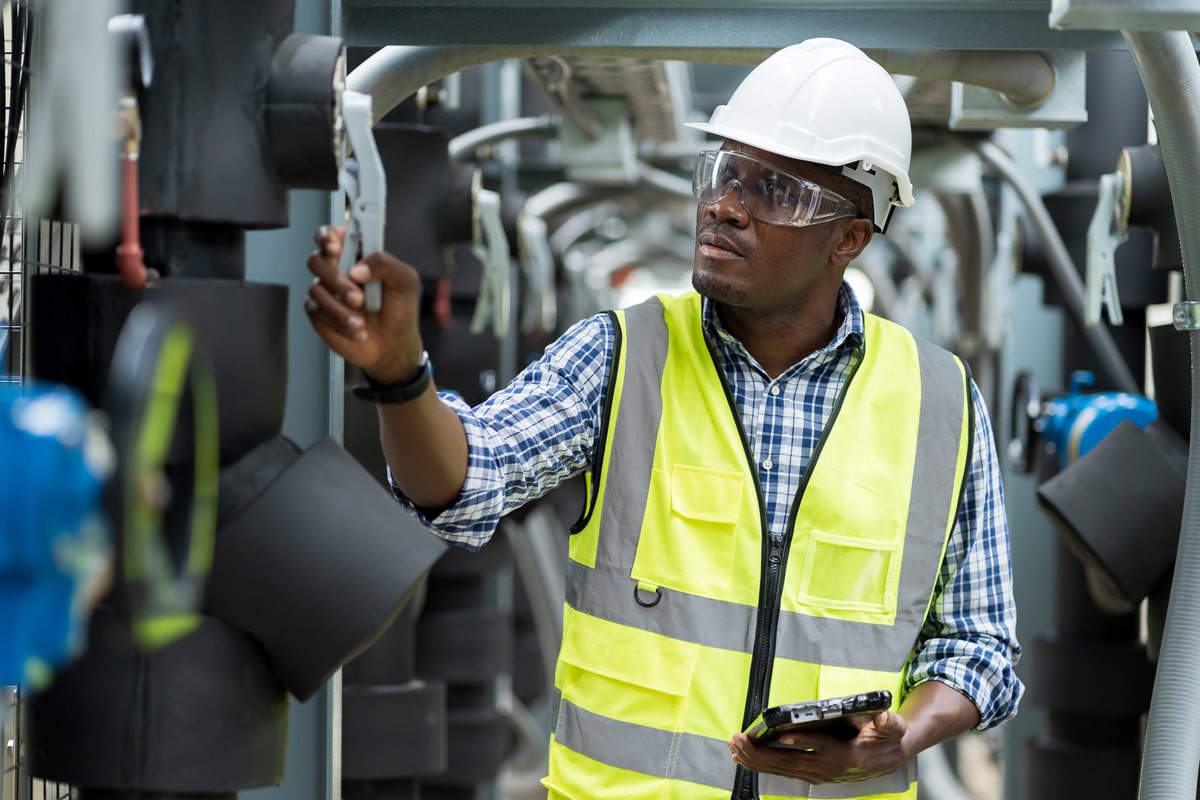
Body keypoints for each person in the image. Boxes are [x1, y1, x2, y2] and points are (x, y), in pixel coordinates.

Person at [305, 38, 1022, 800]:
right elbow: (463, 483)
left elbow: (981, 646)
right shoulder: (622, 358)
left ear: (848, 236)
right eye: (722, 173)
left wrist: (902, 737)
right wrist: (401, 376)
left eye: (774, 191)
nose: (725, 206)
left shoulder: (940, 402)